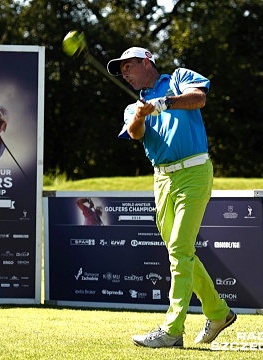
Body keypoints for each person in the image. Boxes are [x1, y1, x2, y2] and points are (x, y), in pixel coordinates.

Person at [106, 47, 236, 348]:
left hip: (194, 171)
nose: (125, 74)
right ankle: (218, 312)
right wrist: (140, 114)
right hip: (163, 179)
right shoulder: (132, 107)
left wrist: (164, 103)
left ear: (146, 61)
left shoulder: (178, 79)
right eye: (121, 71)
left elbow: (199, 98)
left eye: (128, 67)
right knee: (181, 251)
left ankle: (172, 329)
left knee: (179, 247)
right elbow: (135, 134)